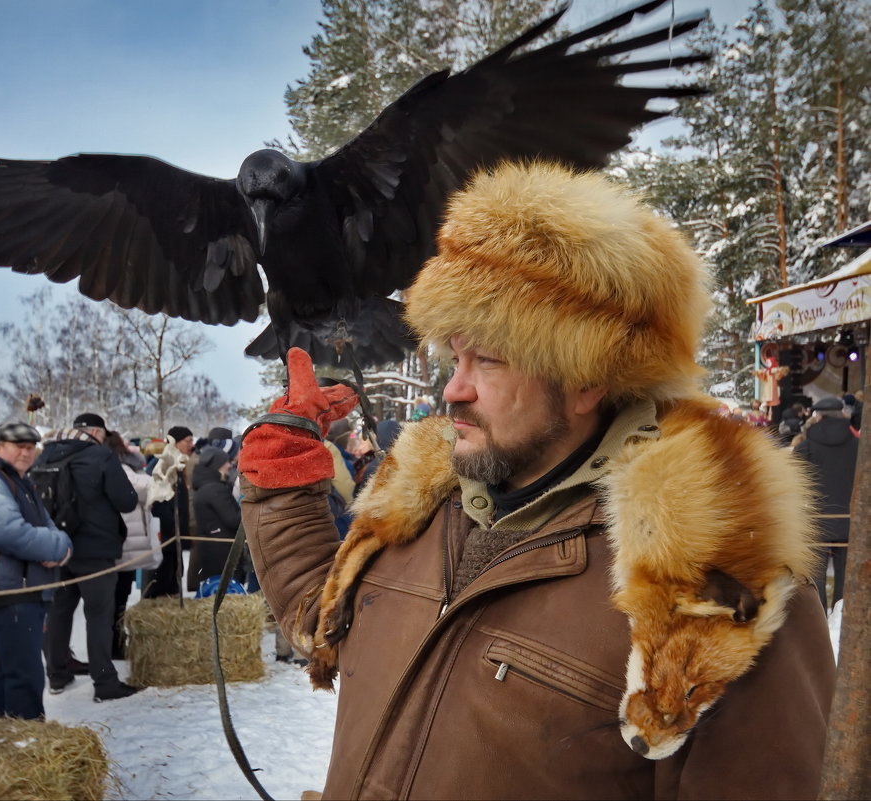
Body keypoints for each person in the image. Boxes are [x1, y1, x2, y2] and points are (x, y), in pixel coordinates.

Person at [238, 162, 834, 799]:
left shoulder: (710, 595)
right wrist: (281, 478)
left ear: (584, 379)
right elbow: (322, 615)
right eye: (455, 356)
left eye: (487, 360)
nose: (453, 389)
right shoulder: (421, 501)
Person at [0, 421, 71, 719]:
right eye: (18, 447)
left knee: (12, 672)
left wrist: (59, 544)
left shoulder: (17, 479)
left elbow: (48, 526)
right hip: (9, 589)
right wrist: (57, 547)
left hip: (24, 588)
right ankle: (28, 744)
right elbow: (9, 533)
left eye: (29, 447)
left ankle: (5, 739)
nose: (26, 453)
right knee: (25, 677)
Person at [38, 413, 140, 702]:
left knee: (59, 611)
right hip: (95, 548)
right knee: (99, 615)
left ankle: (56, 674)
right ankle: (105, 682)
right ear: (96, 431)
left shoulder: (46, 453)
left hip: (56, 546)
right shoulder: (100, 456)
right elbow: (127, 500)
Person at [795, 395, 858, 610]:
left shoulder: (805, 448)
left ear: (818, 417)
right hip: (850, 518)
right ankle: (841, 613)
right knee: (845, 573)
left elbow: (796, 485)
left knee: (816, 576)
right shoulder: (859, 446)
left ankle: (820, 617)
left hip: (816, 519)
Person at [103, 431, 159, 660]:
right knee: (117, 597)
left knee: (118, 597)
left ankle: (115, 642)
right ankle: (115, 645)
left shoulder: (115, 467)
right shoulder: (121, 470)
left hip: (124, 538)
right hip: (125, 539)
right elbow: (145, 487)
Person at [145, 425, 195, 598]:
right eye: (187, 441)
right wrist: (169, 526)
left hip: (175, 531)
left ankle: (170, 598)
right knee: (163, 574)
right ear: (176, 442)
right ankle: (155, 603)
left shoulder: (179, 462)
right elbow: (158, 498)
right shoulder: (164, 463)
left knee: (175, 571)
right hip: (166, 532)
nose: (191, 444)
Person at [190, 445, 243, 589]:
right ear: (217, 465)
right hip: (223, 552)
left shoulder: (205, 486)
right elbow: (233, 519)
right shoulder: (215, 489)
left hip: (212, 549)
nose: (229, 465)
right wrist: (250, 506)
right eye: (225, 462)